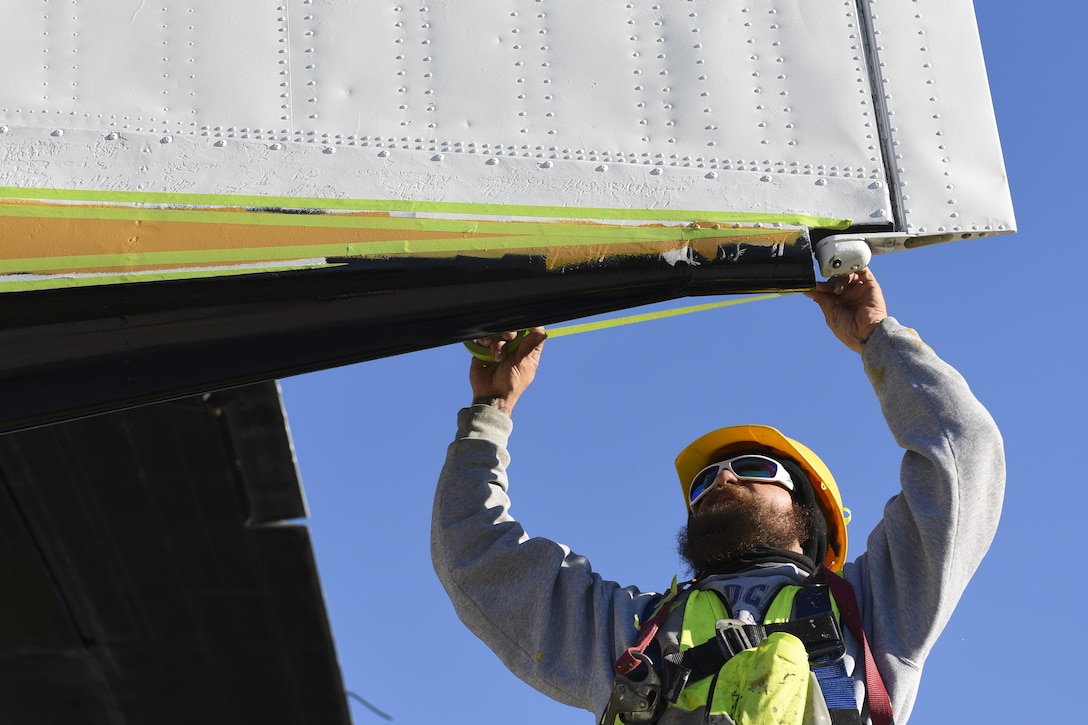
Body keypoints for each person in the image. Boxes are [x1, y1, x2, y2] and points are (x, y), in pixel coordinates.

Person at [431, 268, 1004, 724]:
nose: (722, 480)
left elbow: (963, 453)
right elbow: (477, 556)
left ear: (810, 515)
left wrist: (879, 338)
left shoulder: (876, 610)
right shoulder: (634, 630)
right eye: (705, 481)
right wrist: (490, 415)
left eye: (752, 467)